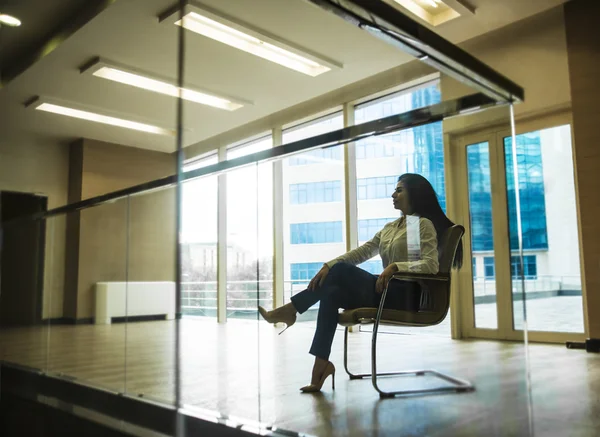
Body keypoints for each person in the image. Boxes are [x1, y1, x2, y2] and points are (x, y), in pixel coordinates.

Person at [258, 173, 463, 393]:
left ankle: (292, 310)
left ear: (414, 193)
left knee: (341, 271)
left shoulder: (421, 225)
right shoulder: (390, 228)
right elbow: (362, 252)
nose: (393, 194)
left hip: (405, 295)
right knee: (332, 292)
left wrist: (396, 267)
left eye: (399, 190)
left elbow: (430, 265)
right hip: (385, 290)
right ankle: (320, 367)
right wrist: (328, 265)